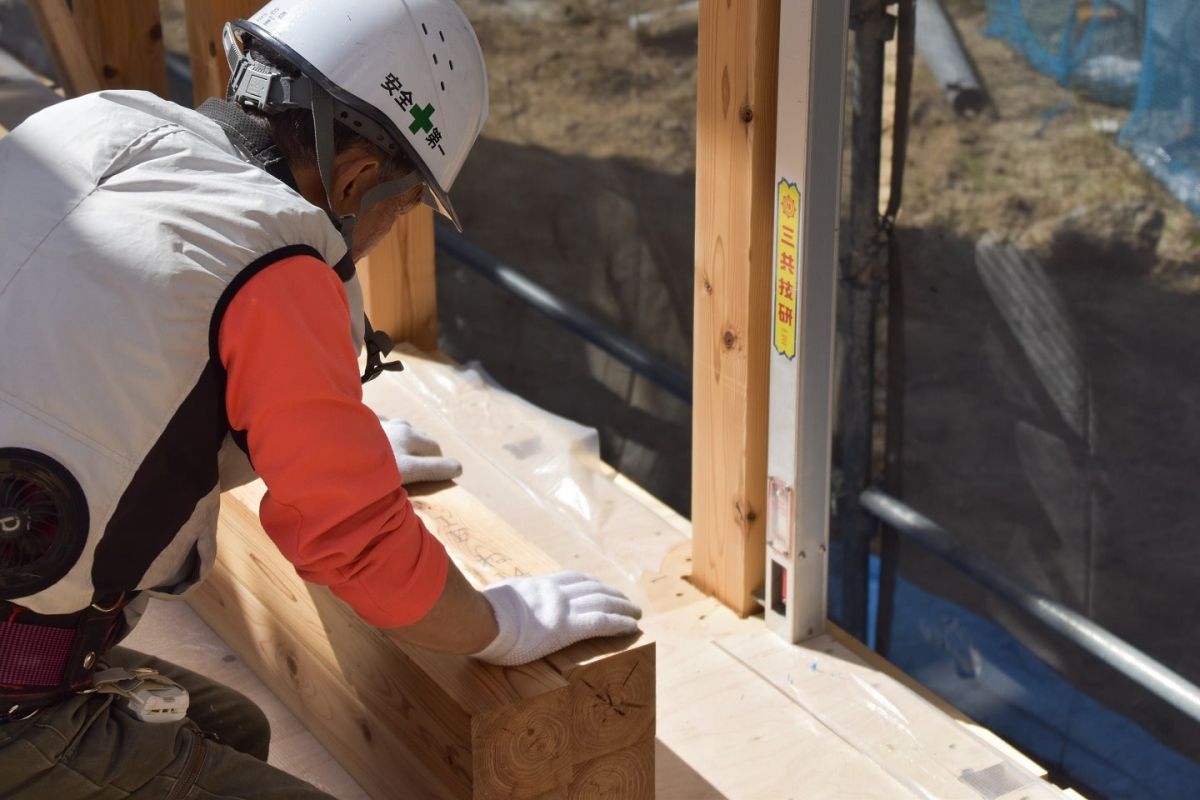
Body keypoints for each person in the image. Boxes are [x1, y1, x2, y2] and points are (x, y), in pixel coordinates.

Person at [0, 1, 640, 796]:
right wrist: (496, 625)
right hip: (12, 710)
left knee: (237, 728)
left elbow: (109, 365)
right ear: (358, 175)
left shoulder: (88, 127)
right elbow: (357, 546)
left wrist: (340, 449)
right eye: (406, 205)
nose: (394, 226)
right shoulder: (273, 267)